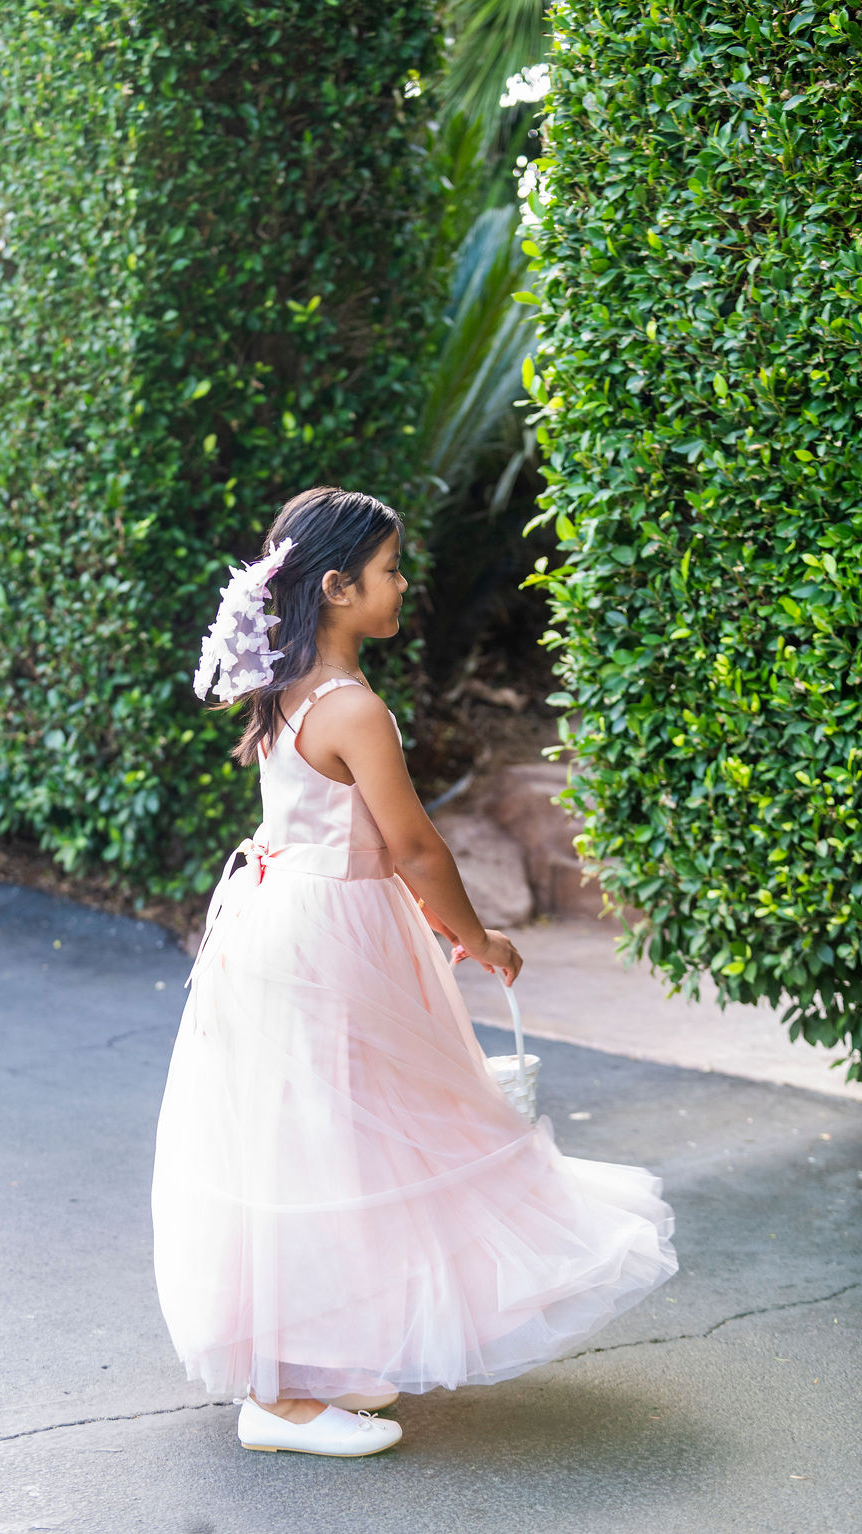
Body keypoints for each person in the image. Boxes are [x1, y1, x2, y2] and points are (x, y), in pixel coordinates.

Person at [151, 486, 677, 1458]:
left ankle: (305, 1361)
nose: (403, 584)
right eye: (390, 570)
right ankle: (278, 1399)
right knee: (331, 1136)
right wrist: (479, 936)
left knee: (325, 1135)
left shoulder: (289, 690)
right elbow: (414, 847)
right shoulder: (353, 708)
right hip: (327, 934)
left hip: (290, 922)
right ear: (337, 586)